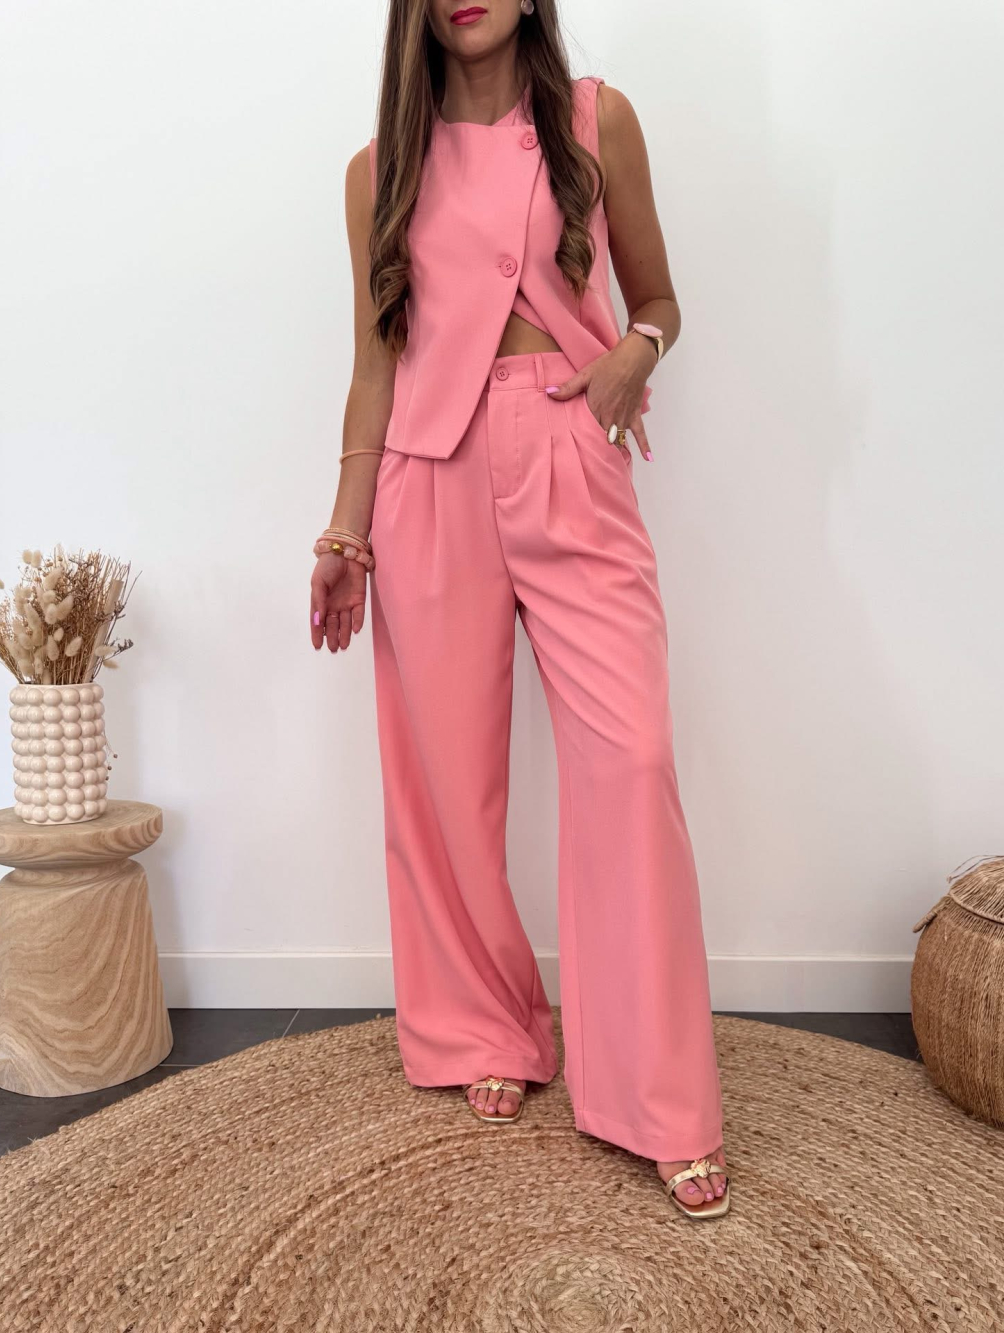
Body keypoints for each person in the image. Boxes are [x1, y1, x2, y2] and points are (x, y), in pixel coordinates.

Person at [310, 0, 729, 1219]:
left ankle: (657, 1096)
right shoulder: (376, 172)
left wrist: (629, 356)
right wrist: (343, 531)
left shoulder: (597, 123)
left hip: (565, 451)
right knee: (446, 781)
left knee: (628, 759)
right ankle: (485, 1024)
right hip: (425, 479)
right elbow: (374, 362)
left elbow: (660, 299)